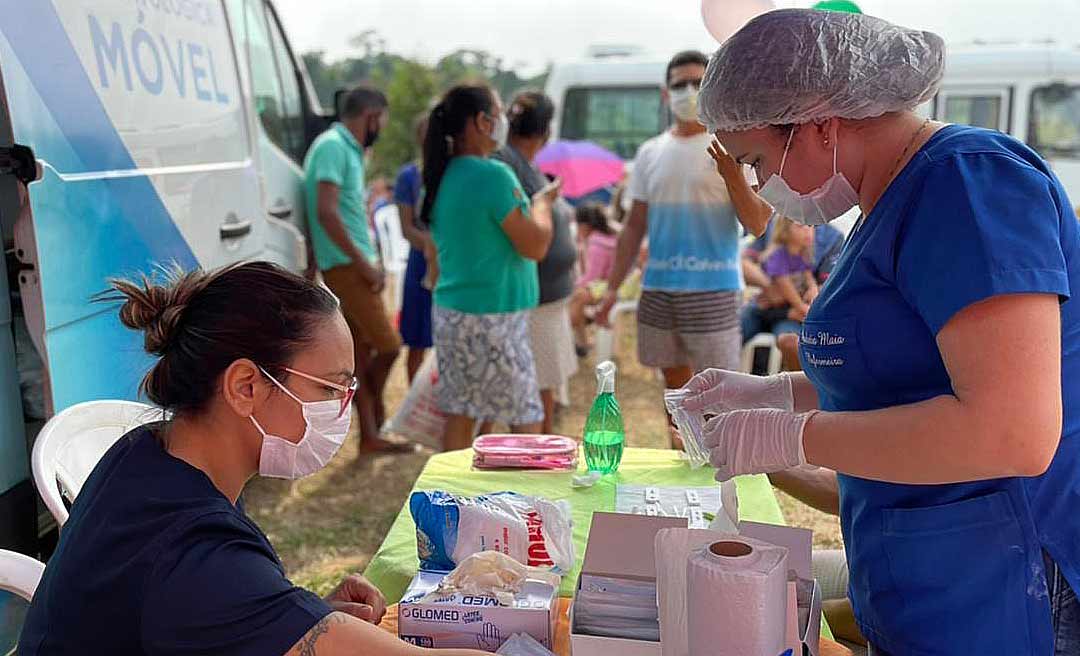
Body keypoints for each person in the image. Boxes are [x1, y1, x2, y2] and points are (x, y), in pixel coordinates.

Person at [688, 9, 1080, 654]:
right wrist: (774, 393)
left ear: (818, 121)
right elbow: (898, 374)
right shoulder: (885, 200)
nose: (758, 185)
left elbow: (1012, 431)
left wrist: (792, 435)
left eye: (755, 160)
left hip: (1005, 576)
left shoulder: (967, 183)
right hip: (925, 567)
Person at [17, 262, 491, 656]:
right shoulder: (200, 554)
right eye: (330, 388)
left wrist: (292, 619)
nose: (341, 409)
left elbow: (187, 611)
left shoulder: (152, 452)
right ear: (245, 386)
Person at [596, 50, 771, 446]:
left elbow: (758, 222)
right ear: (665, 92)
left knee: (716, 394)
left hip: (714, 288)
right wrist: (611, 289)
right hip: (659, 287)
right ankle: (680, 460)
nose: (688, 91)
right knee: (674, 388)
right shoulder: (650, 152)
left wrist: (733, 176)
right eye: (679, 84)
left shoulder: (734, 145)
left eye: (698, 82)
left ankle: (716, 468)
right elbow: (634, 225)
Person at [420, 84, 557, 450]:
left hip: (452, 313)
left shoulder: (440, 175)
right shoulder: (494, 176)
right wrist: (543, 204)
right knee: (526, 416)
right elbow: (535, 245)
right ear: (482, 122)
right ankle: (526, 485)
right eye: (498, 114)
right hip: (495, 317)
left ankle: (453, 484)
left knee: (460, 412)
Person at [303, 86, 408, 455]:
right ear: (371, 116)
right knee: (390, 346)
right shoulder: (334, 146)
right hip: (348, 266)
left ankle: (370, 435)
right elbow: (326, 211)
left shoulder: (345, 149)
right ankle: (371, 407)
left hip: (351, 263)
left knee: (361, 355)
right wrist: (364, 265)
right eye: (382, 121)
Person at [493, 91, 579, 434]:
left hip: (548, 297)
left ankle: (541, 445)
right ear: (546, 130)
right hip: (535, 299)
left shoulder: (524, 164)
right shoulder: (507, 164)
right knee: (536, 389)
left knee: (543, 388)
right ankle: (536, 450)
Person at [394, 115, 436, 384]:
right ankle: (414, 398)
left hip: (448, 265)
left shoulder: (450, 175)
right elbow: (406, 228)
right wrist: (432, 247)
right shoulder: (409, 176)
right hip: (421, 264)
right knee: (417, 342)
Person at [739, 218, 818, 343]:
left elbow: (809, 277)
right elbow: (788, 289)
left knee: (792, 336)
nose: (808, 231)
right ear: (785, 231)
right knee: (739, 332)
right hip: (766, 309)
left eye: (811, 226)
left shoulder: (803, 254)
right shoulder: (778, 256)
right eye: (800, 226)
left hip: (787, 310)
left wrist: (813, 288)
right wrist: (805, 310)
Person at [569, 202, 618, 353]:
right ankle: (582, 340)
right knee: (577, 297)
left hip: (608, 287)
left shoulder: (597, 244)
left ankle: (579, 341)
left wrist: (574, 286)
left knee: (575, 297)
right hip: (612, 284)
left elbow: (592, 277)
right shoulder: (606, 238)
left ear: (584, 226)